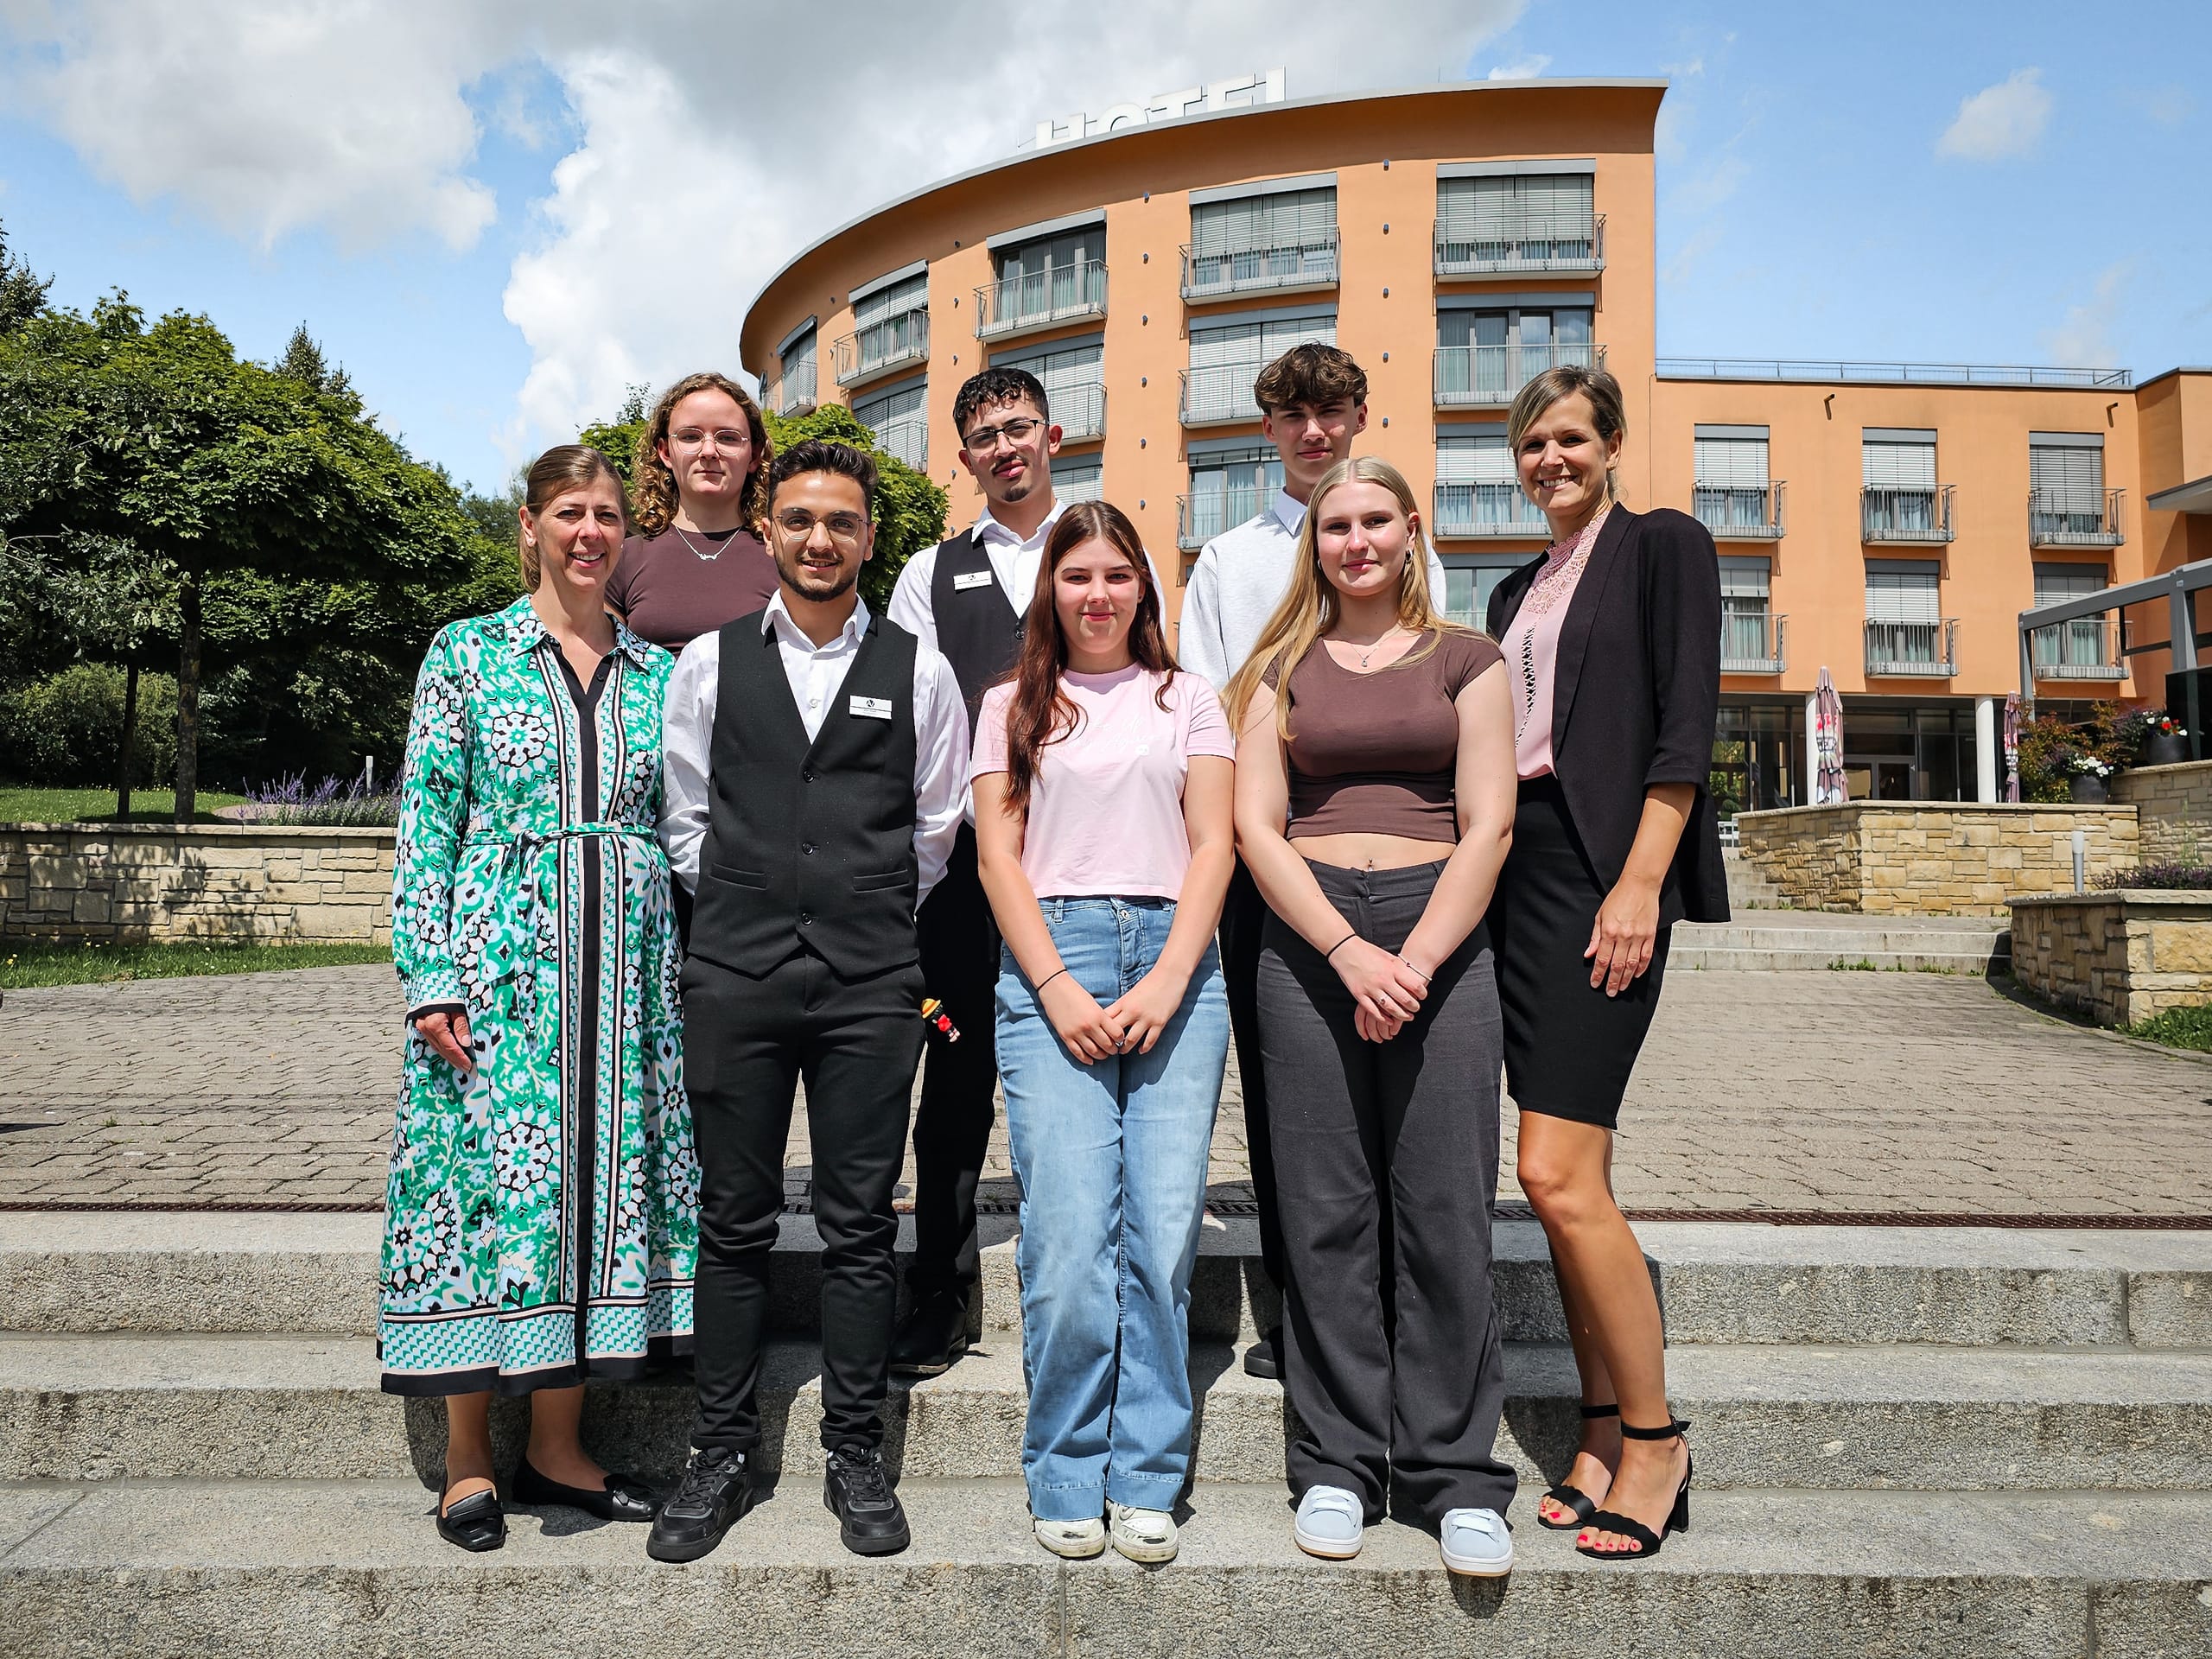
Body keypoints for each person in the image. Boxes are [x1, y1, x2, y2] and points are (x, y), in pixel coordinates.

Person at [650, 439, 969, 1563]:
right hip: (734, 975)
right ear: (768, 531)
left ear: (869, 536)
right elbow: (686, 818)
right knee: (732, 1224)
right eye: (799, 520)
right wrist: (751, 905)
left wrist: (858, 910)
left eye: (841, 521)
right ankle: (722, 1452)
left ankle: (854, 1454)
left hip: (872, 984)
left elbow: (934, 829)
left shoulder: (920, 670)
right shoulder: (707, 663)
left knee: (857, 1228)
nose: (820, 539)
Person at [380, 445, 695, 1553]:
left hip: (626, 982)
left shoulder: (659, 673)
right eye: (570, 512)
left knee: (599, 1188)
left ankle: (560, 1449)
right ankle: (470, 1459)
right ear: (529, 525)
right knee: (485, 1188)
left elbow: (684, 829)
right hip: (500, 971)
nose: (589, 532)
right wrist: (432, 975)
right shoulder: (467, 652)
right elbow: (427, 821)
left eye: (608, 515)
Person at [1227, 455, 1518, 1577]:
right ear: (1316, 539)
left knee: (1443, 1208)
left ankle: (1453, 1476)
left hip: (1439, 927)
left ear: (1409, 531)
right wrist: (1348, 951)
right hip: (1308, 940)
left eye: (1374, 522)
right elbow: (1258, 824)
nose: (1354, 540)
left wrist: (1416, 956)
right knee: (1325, 1212)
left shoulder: (1470, 660)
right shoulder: (1275, 667)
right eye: (1335, 523)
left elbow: (1489, 825)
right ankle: (1339, 1465)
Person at [1483, 363, 1725, 1562]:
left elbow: (1686, 723)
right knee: (1546, 1177)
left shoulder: (1663, 547)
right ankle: (1592, 1428)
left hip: (1602, 872)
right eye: (1532, 444)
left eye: (1570, 438)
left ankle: (1658, 1438)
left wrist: (1641, 880)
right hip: (1516, 883)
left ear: (1613, 442)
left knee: (1561, 1171)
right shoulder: (1514, 587)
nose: (1550, 460)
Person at [884, 367, 1163, 1377]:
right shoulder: (930, 573)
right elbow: (916, 720)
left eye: (1018, 429)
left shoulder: (1105, 555)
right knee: (952, 1079)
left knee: (1108, 1080)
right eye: (983, 438)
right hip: (965, 872)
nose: (1004, 449)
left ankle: (1116, 1288)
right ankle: (938, 1288)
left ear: (1052, 434)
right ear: (963, 459)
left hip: (1092, 875)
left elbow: (1153, 696)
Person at [1175, 343, 1447, 1382]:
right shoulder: (1231, 561)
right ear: (1268, 430)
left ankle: (1397, 1302)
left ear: (1360, 415)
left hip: (1399, 856)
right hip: (1266, 853)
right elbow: (1204, 705)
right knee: (1289, 1092)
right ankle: (1303, 1311)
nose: (1313, 432)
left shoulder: (1396, 543)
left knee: (1400, 1086)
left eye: (1330, 412)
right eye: (1292, 417)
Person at [971, 501, 1235, 1565]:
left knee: (1163, 1230)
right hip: (1055, 960)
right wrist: (1054, 987)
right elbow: (998, 859)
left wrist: (1171, 978)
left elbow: (1214, 844)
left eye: (1116, 575)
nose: (1097, 594)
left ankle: (1147, 1475)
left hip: (1178, 957)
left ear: (1143, 588)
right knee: (1073, 1235)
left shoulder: (1190, 698)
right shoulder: (1010, 707)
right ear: (1052, 591)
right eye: (1076, 575)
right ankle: (1068, 1468)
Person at [607, 372, 779, 654]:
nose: (709, 451)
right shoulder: (622, 559)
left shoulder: (781, 558)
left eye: (728, 438)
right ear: (665, 452)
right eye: (690, 436)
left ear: (755, 455)